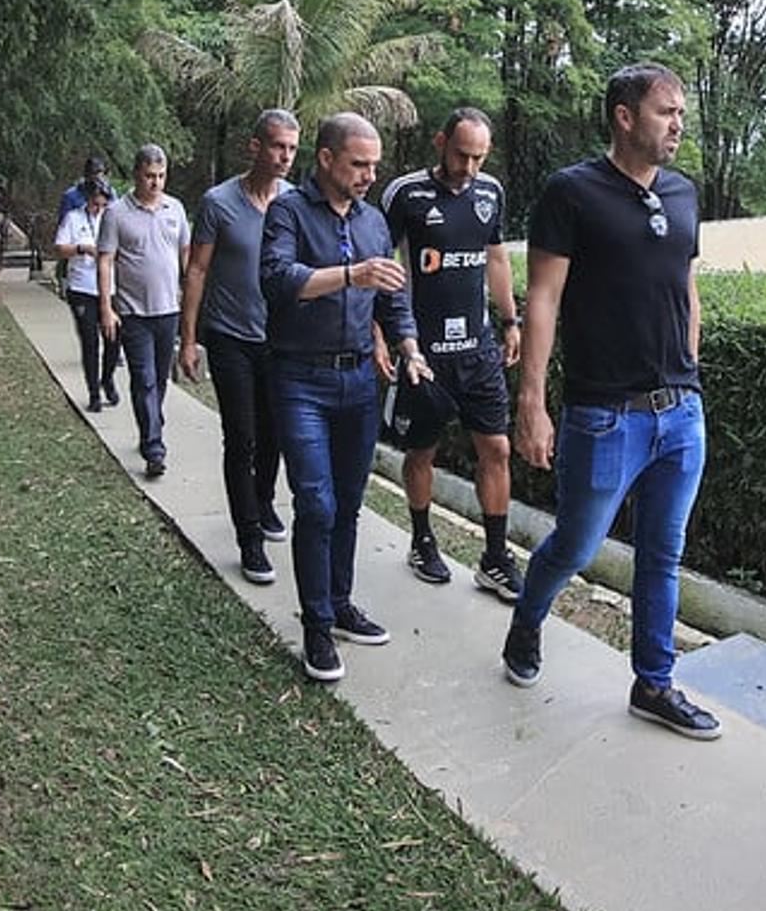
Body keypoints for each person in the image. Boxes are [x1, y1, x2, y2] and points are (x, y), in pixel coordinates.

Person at [500, 62, 720, 741]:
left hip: (680, 413)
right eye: (664, 112)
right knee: (575, 543)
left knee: (663, 553)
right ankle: (527, 622)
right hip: (604, 416)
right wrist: (532, 403)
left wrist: (688, 367)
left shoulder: (683, 195)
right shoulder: (572, 193)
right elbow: (541, 300)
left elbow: (684, 287)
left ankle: (654, 683)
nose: (678, 123)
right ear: (624, 117)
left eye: (681, 111)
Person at [261, 112, 430, 683]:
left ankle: (338, 603)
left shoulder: (375, 221)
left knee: (349, 503)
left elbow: (392, 297)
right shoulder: (288, 210)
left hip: (359, 381)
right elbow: (280, 281)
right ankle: (314, 625)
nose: (369, 175)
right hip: (299, 379)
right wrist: (350, 274)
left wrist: (409, 346)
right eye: (359, 164)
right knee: (316, 503)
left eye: (375, 165)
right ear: (327, 158)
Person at [378, 108, 525, 600]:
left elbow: (496, 257)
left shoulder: (491, 193)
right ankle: (421, 539)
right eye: (461, 154)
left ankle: (495, 558)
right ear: (441, 142)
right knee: (423, 450)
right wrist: (384, 336)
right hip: (423, 352)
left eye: (479, 158)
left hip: (478, 349)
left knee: (497, 449)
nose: (469, 167)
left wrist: (509, 320)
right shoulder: (406, 194)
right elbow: (381, 266)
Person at [180, 110, 301, 586]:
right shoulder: (219, 202)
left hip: (280, 339)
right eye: (277, 147)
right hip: (230, 336)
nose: (285, 157)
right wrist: (188, 340)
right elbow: (197, 271)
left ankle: (265, 501)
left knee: (275, 434)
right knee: (242, 438)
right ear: (255, 147)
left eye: (292, 149)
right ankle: (248, 538)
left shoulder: (294, 202)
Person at [98, 145, 189, 479]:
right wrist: (107, 307)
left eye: (161, 176)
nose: (156, 182)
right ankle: (154, 448)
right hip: (134, 312)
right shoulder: (117, 213)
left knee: (160, 380)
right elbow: (105, 260)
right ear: (137, 174)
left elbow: (185, 253)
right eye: (150, 176)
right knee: (144, 379)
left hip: (169, 310)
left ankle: (151, 424)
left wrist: (190, 292)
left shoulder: (175, 209)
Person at [53, 176, 119, 411]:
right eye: (95, 204)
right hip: (82, 288)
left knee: (113, 340)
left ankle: (107, 378)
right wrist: (82, 248)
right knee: (90, 342)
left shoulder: (113, 218)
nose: (98, 209)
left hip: (109, 289)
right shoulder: (73, 218)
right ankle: (93, 393)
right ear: (87, 200)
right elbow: (60, 248)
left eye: (103, 205)